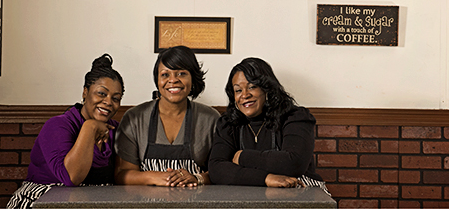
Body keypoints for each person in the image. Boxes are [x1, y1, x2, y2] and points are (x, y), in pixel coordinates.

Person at [6, 54, 125, 208]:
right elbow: (71, 178)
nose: (108, 102)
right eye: (101, 94)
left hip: (90, 203)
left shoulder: (115, 130)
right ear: (85, 92)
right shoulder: (57, 125)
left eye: (116, 98)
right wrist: (90, 127)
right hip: (41, 200)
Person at [208, 57, 330, 194]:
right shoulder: (228, 123)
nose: (245, 95)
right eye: (238, 90)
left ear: (267, 89)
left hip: (302, 191)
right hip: (251, 193)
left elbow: (294, 163)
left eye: (252, 87)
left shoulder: (296, 117)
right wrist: (266, 178)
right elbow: (216, 169)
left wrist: (242, 157)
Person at [115, 45, 220, 187]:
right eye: (165, 74)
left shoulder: (211, 119)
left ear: (193, 78)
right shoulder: (134, 118)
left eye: (181, 73)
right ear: (157, 80)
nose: (173, 80)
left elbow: (220, 172)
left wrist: (197, 178)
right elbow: (122, 174)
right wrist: (154, 177)